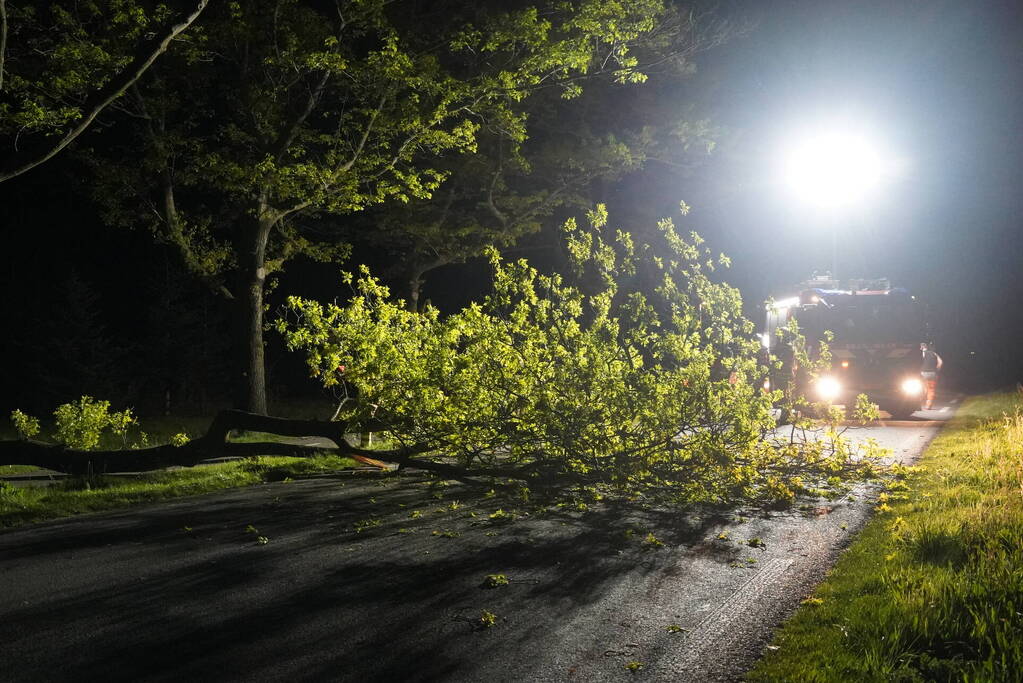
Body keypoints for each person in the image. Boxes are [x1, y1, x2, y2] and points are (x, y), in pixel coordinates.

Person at [920, 342, 943, 410]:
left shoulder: (924, 352)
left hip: (923, 373)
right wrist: (937, 369)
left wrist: (922, 347)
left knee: (922, 388)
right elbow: (940, 362)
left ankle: (917, 402)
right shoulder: (935, 354)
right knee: (931, 390)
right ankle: (928, 405)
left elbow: (923, 349)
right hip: (933, 373)